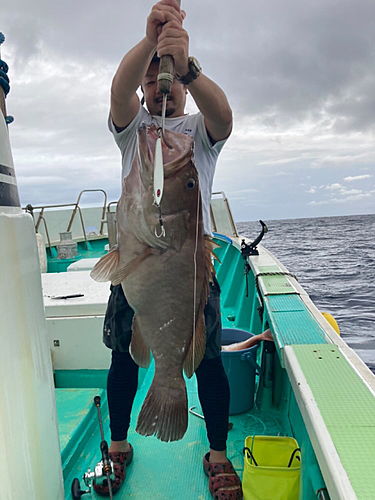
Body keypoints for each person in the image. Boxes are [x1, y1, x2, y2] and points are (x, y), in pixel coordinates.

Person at [97, 0, 237, 497]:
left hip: (190, 272)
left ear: (183, 85)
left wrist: (189, 63)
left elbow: (224, 116)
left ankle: (217, 456)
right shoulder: (134, 127)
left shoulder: (200, 131)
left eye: (172, 75)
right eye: (154, 73)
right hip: (137, 267)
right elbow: (117, 93)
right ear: (144, 85)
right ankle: (117, 446)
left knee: (211, 359)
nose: (164, 80)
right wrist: (151, 40)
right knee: (122, 357)